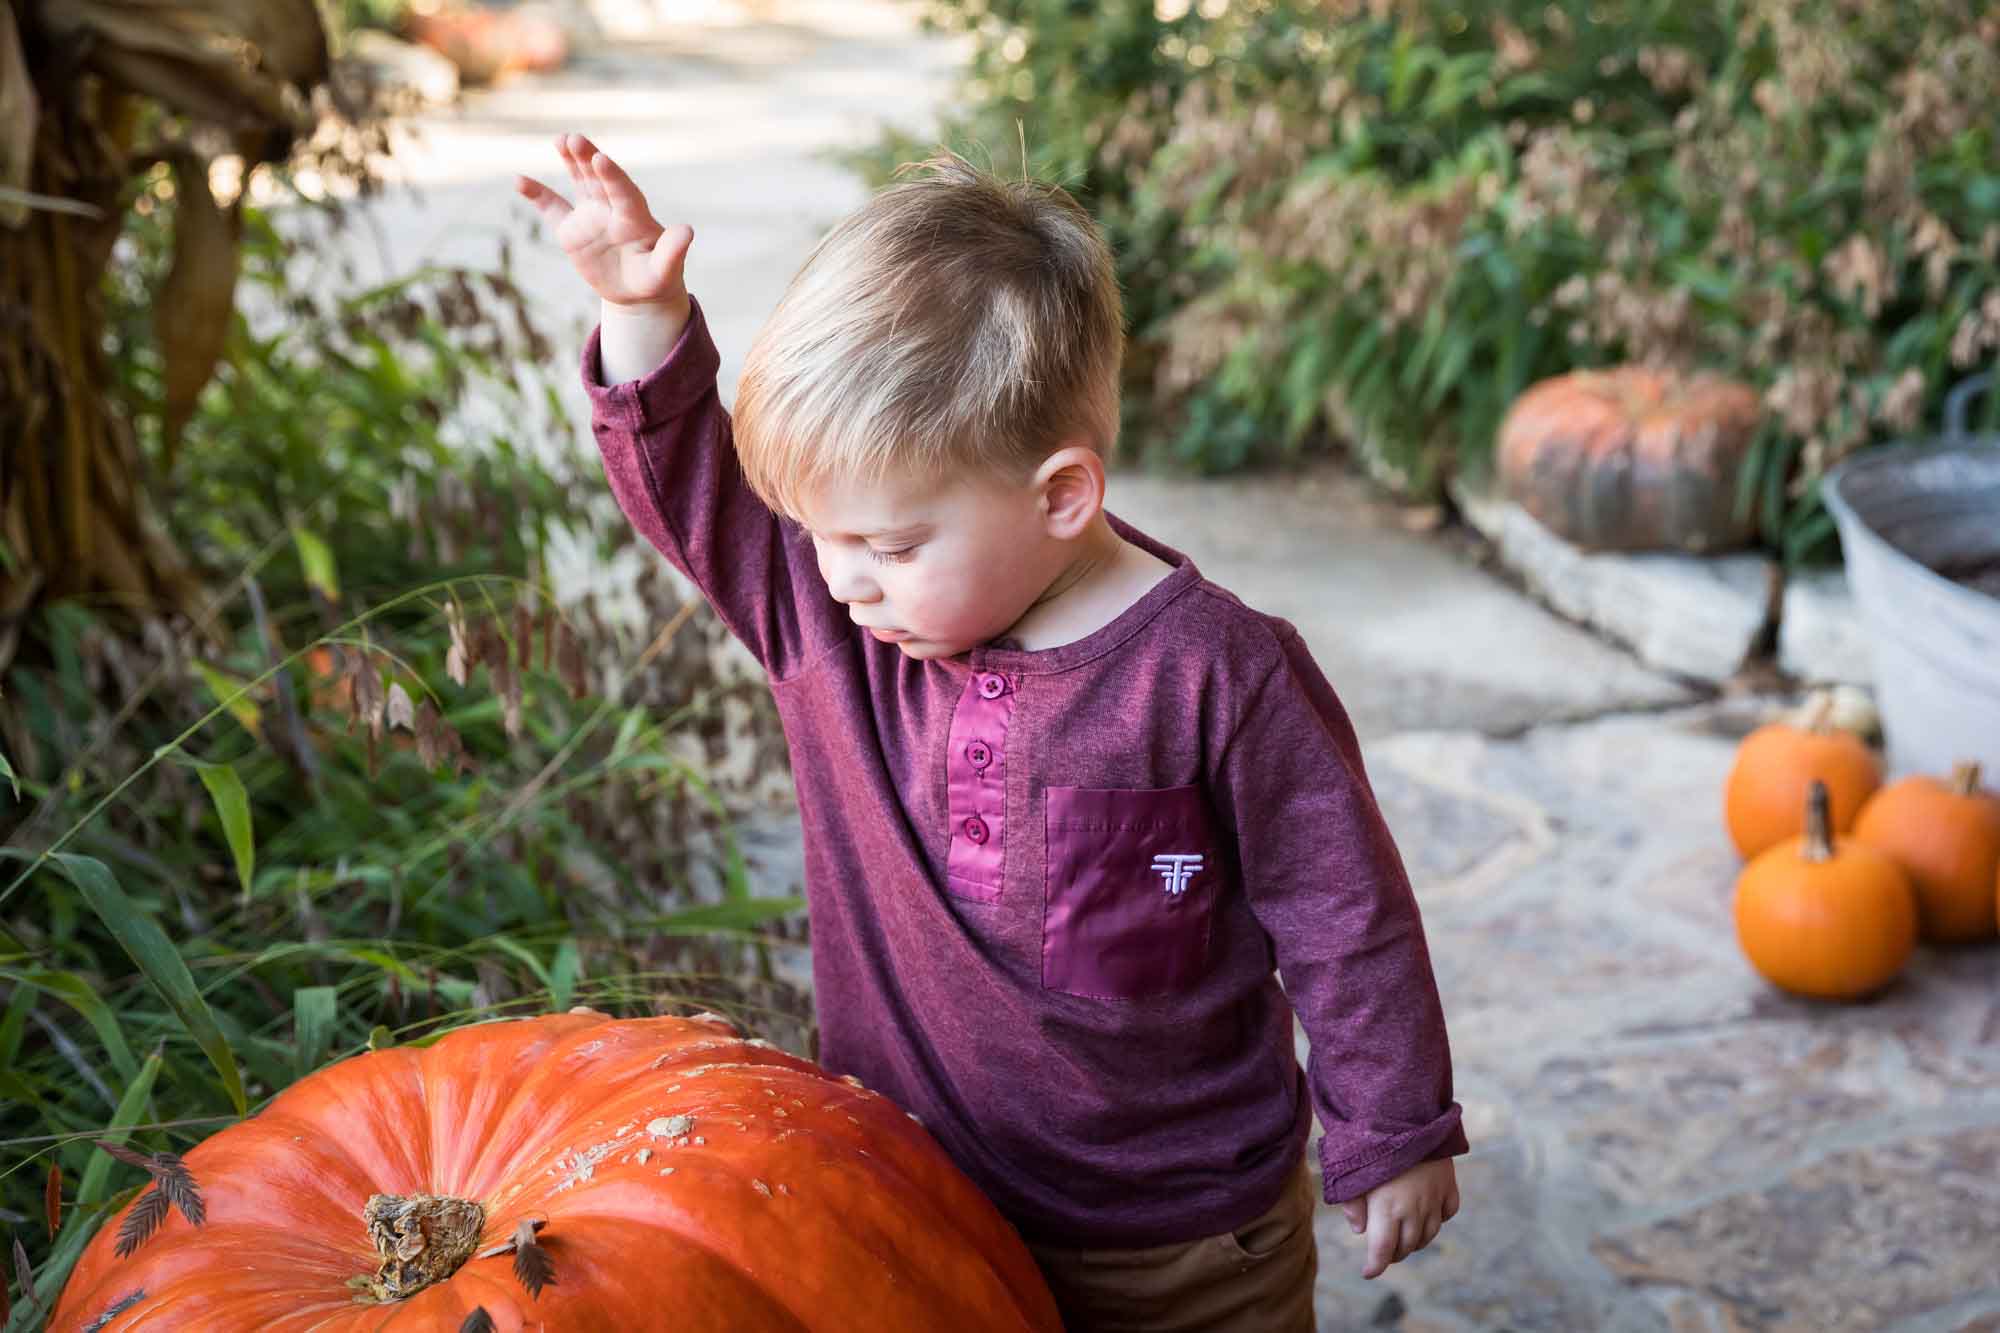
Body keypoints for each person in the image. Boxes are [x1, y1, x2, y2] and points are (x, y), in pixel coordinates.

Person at [518, 131, 1465, 1332]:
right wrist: (640, 313)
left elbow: (1342, 911)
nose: (844, 580)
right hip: (914, 1195)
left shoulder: (1216, 673)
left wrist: (1393, 1127)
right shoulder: (830, 626)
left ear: (1062, 494)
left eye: (892, 546)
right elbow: (694, 485)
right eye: (817, 533)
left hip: (1181, 1241)